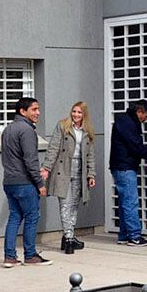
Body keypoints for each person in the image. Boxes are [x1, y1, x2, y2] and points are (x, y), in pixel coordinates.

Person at [0, 96, 52, 268]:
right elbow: (31, 161)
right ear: (23, 111)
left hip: (9, 182)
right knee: (31, 216)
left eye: (38, 109)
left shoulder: (8, 129)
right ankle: (30, 256)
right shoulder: (27, 131)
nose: (38, 112)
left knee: (14, 217)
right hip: (24, 182)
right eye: (34, 109)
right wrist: (40, 184)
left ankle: (10, 257)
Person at [41, 101, 97, 254]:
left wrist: (91, 174)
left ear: (84, 114)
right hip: (63, 169)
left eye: (79, 112)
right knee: (65, 205)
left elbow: (90, 155)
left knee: (73, 206)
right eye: (74, 111)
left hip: (80, 171)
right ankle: (70, 239)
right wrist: (46, 167)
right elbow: (53, 147)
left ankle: (68, 237)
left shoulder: (87, 131)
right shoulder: (63, 126)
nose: (76, 115)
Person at [109, 99, 147, 247]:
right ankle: (134, 236)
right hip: (125, 168)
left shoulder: (125, 121)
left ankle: (124, 235)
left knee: (125, 202)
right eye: (146, 116)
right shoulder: (128, 123)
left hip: (120, 167)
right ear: (139, 112)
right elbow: (135, 146)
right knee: (130, 202)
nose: (146, 119)